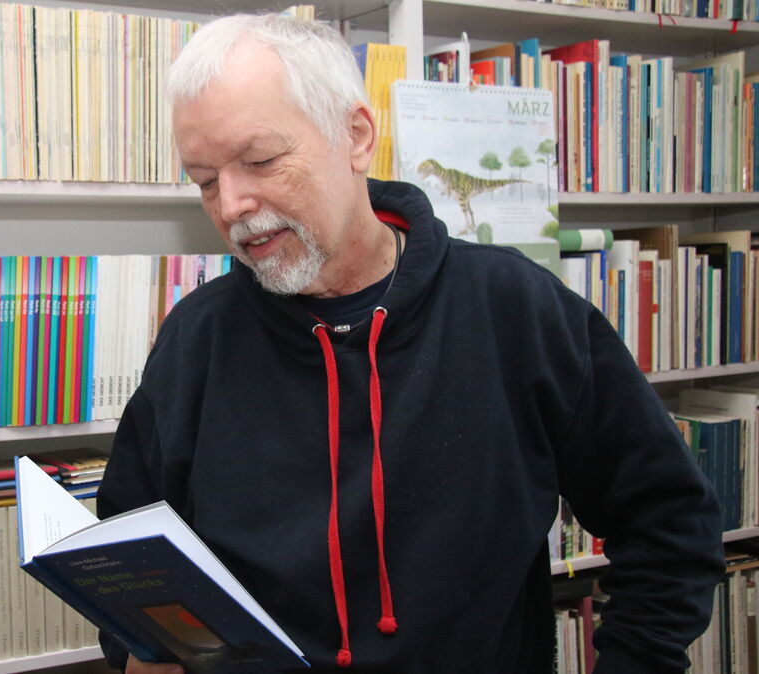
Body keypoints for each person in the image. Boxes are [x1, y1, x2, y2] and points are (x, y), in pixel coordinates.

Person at [95, 12, 724, 674]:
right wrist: (143, 647)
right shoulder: (196, 340)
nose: (231, 204)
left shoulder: (516, 311)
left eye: (259, 160)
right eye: (203, 179)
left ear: (356, 136)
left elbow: (669, 523)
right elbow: (130, 553)